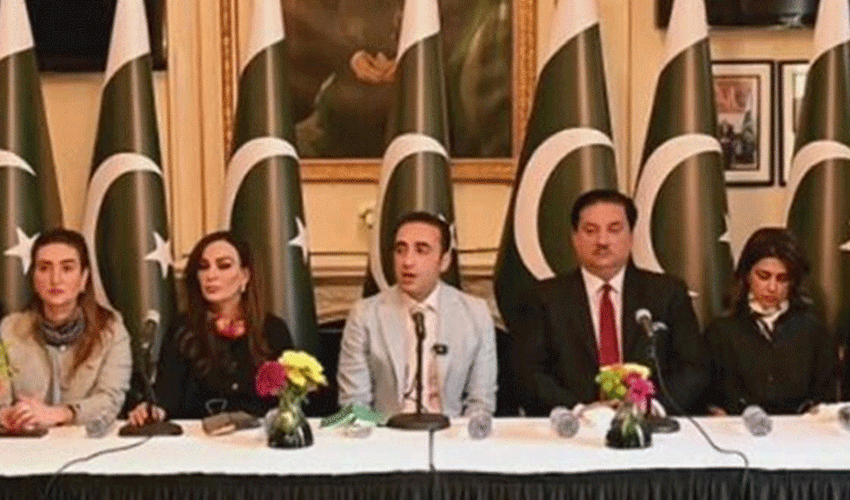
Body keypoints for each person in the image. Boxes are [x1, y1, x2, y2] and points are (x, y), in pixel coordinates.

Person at [512, 189, 709, 416]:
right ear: (574, 238)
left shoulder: (667, 293)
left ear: (631, 236)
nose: (602, 241)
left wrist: (651, 408)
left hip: (650, 424)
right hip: (574, 425)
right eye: (590, 231)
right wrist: (580, 412)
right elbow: (529, 373)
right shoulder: (543, 298)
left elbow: (693, 367)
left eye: (614, 230)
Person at [338, 211, 497, 417]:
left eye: (421, 250)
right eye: (400, 250)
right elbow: (354, 403)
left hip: (450, 431)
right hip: (386, 431)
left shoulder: (476, 314)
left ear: (444, 261)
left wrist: (462, 436)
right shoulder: (365, 315)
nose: (407, 261)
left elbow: (481, 402)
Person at [128, 232, 293, 424]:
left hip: (257, 438)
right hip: (198, 438)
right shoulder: (182, 329)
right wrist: (151, 410)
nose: (210, 275)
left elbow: (289, 401)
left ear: (245, 276)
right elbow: (166, 399)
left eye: (224, 265)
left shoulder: (273, 330)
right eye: (203, 267)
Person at [0, 229, 131, 431]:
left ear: (84, 278)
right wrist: (8, 415)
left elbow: (110, 400)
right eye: (44, 268)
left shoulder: (111, 331)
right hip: (27, 442)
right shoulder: (9, 330)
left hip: (86, 442)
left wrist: (59, 414)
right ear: (33, 278)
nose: (55, 279)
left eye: (67, 268)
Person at [704, 228, 835, 415]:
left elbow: (825, 399)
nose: (772, 287)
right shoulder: (720, 332)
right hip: (737, 430)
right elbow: (709, 399)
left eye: (782, 279)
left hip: (799, 430)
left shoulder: (814, 333)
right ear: (747, 275)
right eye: (764, 276)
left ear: (793, 282)